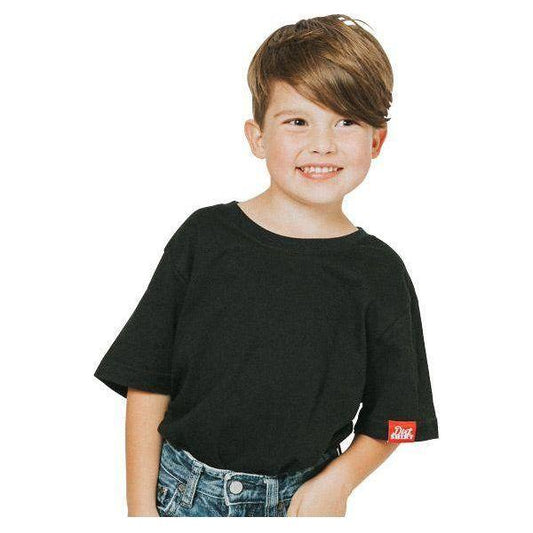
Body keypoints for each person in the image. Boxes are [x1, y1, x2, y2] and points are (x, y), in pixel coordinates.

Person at [94, 14, 439, 517]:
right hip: (183, 497)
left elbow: (398, 418)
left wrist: (340, 481)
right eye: (298, 122)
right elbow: (147, 379)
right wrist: (139, 513)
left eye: (346, 121)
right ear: (256, 137)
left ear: (376, 141)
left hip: (304, 503)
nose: (322, 144)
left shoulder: (380, 273)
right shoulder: (204, 238)